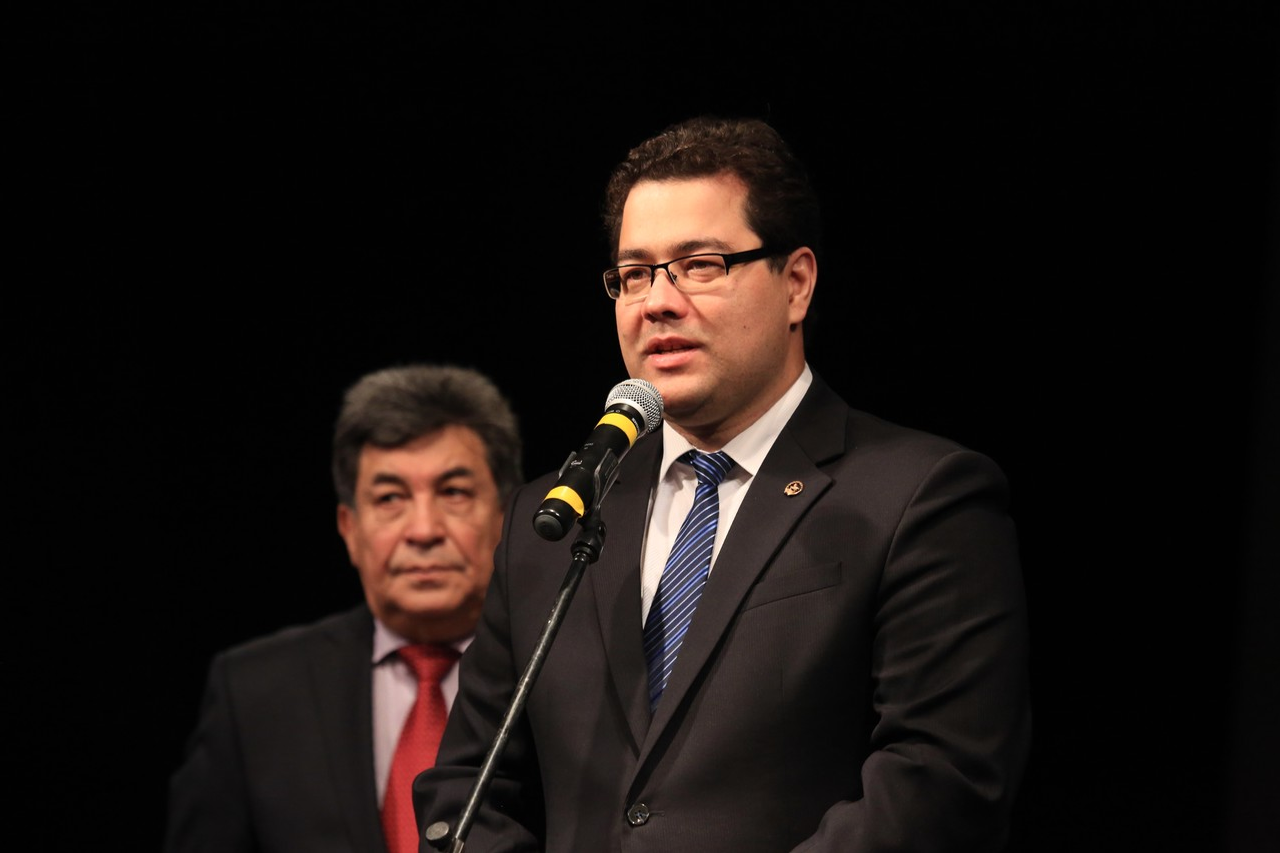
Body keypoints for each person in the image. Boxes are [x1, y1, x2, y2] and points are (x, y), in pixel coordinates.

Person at [413, 115, 1032, 853]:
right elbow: (469, 788)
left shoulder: (920, 497)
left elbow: (940, 784)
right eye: (634, 274)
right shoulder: (555, 516)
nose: (657, 301)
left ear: (796, 284)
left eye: (700, 265)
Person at [164, 363, 524, 853]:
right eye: (390, 498)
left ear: (506, 516)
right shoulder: (253, 692)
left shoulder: (564, 676)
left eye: (453, 493)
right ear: (349, 528)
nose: (423, 530)